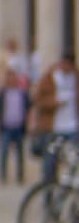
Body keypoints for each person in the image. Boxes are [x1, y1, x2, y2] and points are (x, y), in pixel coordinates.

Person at [31, 51, 79, 180]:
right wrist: (55, 102)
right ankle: (49, 195)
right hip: (53, 128)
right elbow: (38, 100)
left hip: (73, 127)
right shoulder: (49, 78)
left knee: (74, 162)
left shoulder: (76, 78)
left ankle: (68, 190)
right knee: (50, 164)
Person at [0, 50, 30, 185]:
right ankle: (3, 176)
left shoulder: (22, 94)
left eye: (14, 76)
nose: (12, 79)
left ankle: (20, 176)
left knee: (20, 153)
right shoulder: (2, 94)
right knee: (4, 152)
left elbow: (28, 109)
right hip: (6, 127)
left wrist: (28, 124)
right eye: (9, 76)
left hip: (18, 126)